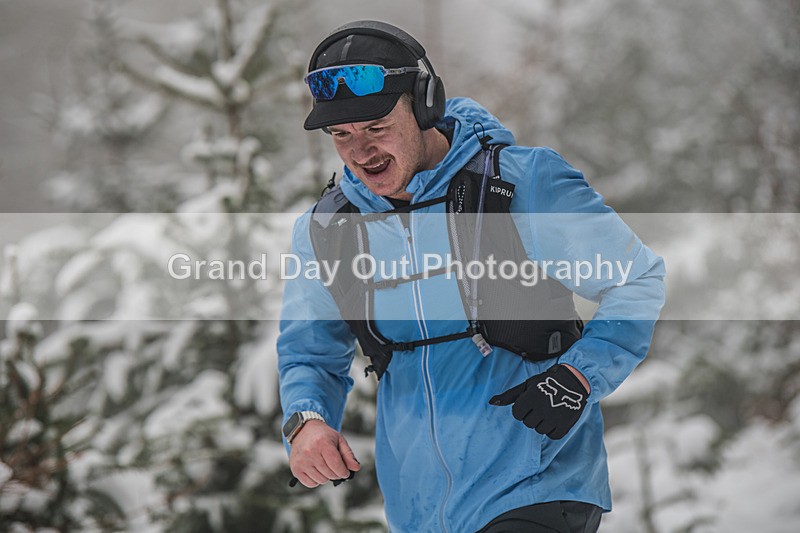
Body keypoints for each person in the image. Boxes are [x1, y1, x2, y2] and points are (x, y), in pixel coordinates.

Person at [277, 20, 666, 533]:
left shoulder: (522, 184)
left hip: (537, 483)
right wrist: (306, 422)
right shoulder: (331, 229)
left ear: (423, 108)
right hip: (417, 509)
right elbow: (309, 351)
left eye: (376, 128)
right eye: (341, 135)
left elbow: (636, 280)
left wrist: (578, 377)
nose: (360, 151)